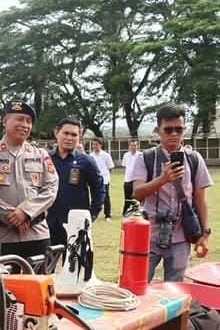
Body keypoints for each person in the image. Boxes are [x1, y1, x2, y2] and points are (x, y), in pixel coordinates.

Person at [128, 104, 213, 281]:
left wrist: (205, 235)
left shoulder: (194, 159)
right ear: (158, 130)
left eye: (179, 129)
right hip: (148, 235)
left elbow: (200, 200)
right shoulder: (146, 158)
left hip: (182, 235)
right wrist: (163, 179)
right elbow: (136, 193)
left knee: (175, 291)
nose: (174, 134)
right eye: (168, 129)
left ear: (184, 130)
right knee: (137, 285)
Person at [0, 101, 58, 260]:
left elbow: (51, 188)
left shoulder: (40, 154)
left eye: (29, 121)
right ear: (5, 121)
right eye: (19, 119)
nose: (25, 125)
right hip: (1, 236)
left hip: (37, 234)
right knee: (2, 283)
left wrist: (25, 212)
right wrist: (11, 215)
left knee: (38, 282)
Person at [47, 117, 105, 247]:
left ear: (80, 137)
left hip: (76, 225)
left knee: (75, 266)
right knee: (45, 266)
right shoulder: (45, 159)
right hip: (48, 223)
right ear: (57, 133)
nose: (69, 138)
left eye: (74, 135)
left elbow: (99, 190)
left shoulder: (87, 162)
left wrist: (91, 215)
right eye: (66, 133)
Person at [90, 138, 115, 221]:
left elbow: (110, 167)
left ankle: (107, 215)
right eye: (93, 144)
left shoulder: (106, 155)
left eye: (96, 144)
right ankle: (94, 214)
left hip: (104, 179)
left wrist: (106, 175)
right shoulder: (91, 156)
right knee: (94, 197)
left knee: (106, 197)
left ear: (100, 145)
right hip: (94, 180)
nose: (94, 146)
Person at [121, 139, 142, 216]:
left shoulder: (140, 155)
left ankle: (136, 211)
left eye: (135, 145)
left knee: (136, 197)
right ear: (129, 146)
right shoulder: (126, 155)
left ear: (138, 146)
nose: (133, 147)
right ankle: (126, 211)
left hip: (137, 180)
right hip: (127, 179)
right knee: (127, 197)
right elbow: (125, 166)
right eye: (132, 145)